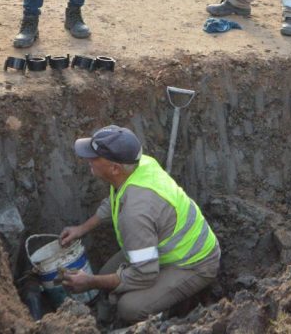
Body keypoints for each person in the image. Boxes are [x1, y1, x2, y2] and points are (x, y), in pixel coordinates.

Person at [60, 125, 220, 325]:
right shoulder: (138, 165)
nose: (87, 160)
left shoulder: (135, 213)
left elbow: (144, 274)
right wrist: (81, 229)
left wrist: (90, 282)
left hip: (194, 263)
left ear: (114, 168)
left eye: (94, 157)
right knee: (105, 276)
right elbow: (114, 202)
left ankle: (174, 314)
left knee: (129, 308)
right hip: (163, 247)